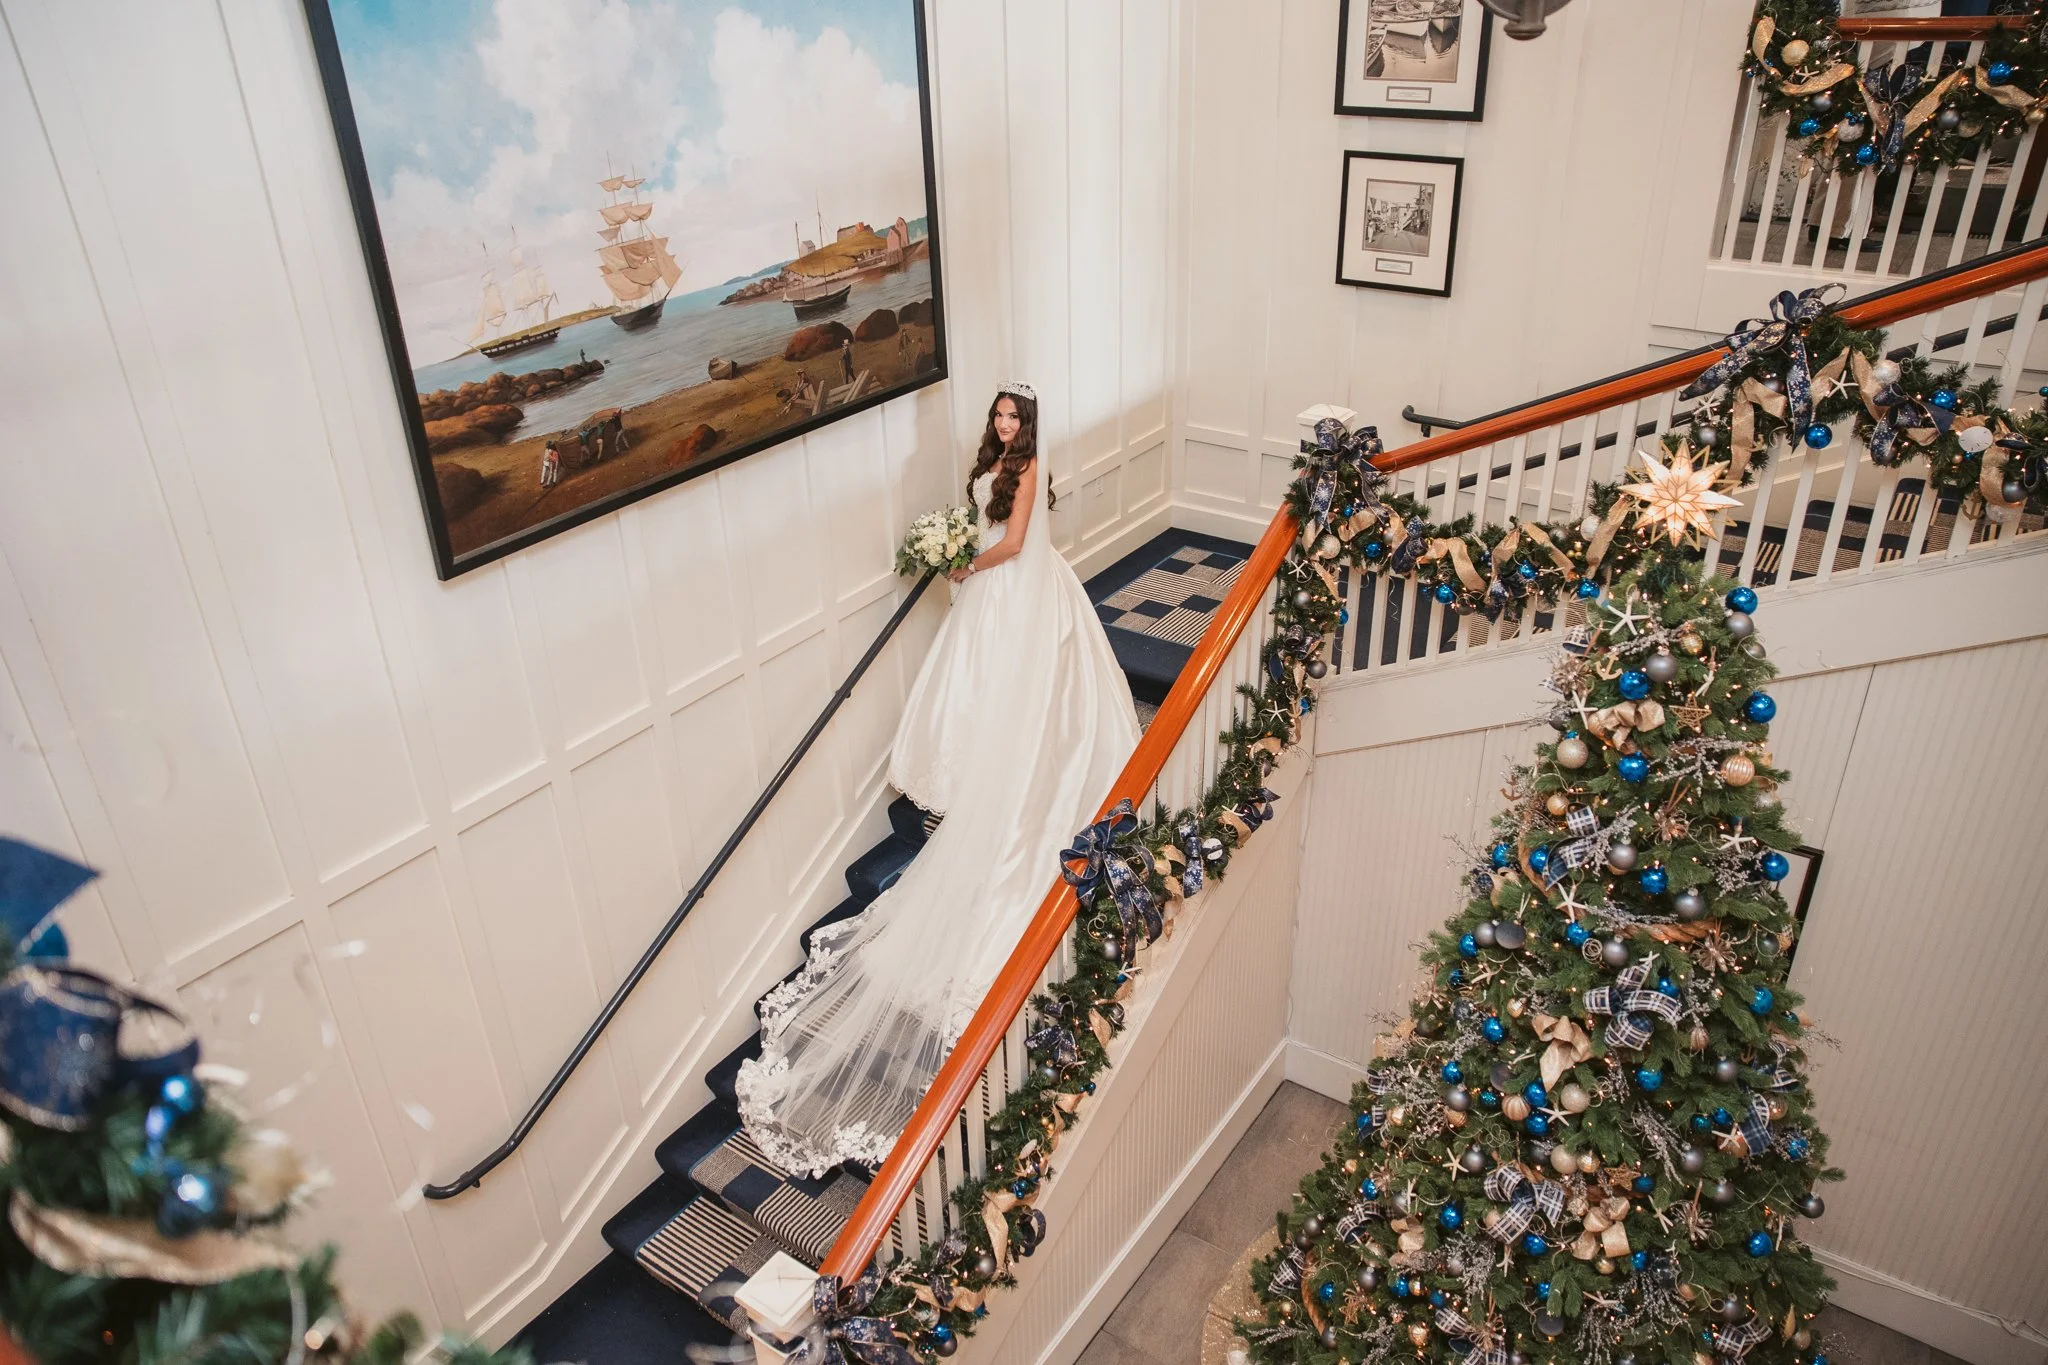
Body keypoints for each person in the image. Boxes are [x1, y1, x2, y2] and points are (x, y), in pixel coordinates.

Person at [738, 382, 1140, 1177]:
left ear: (1030, 424)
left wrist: (965, 563)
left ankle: (1020, 777)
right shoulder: (988, 459)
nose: (1003, 425)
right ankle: (964, 779)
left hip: (1015, 588)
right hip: (987, 592)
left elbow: (1020, 543)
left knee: (1022, 695)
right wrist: (958, 555)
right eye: (998, 415)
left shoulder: (1025, 471)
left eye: (1014, 417)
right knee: (971, 689)